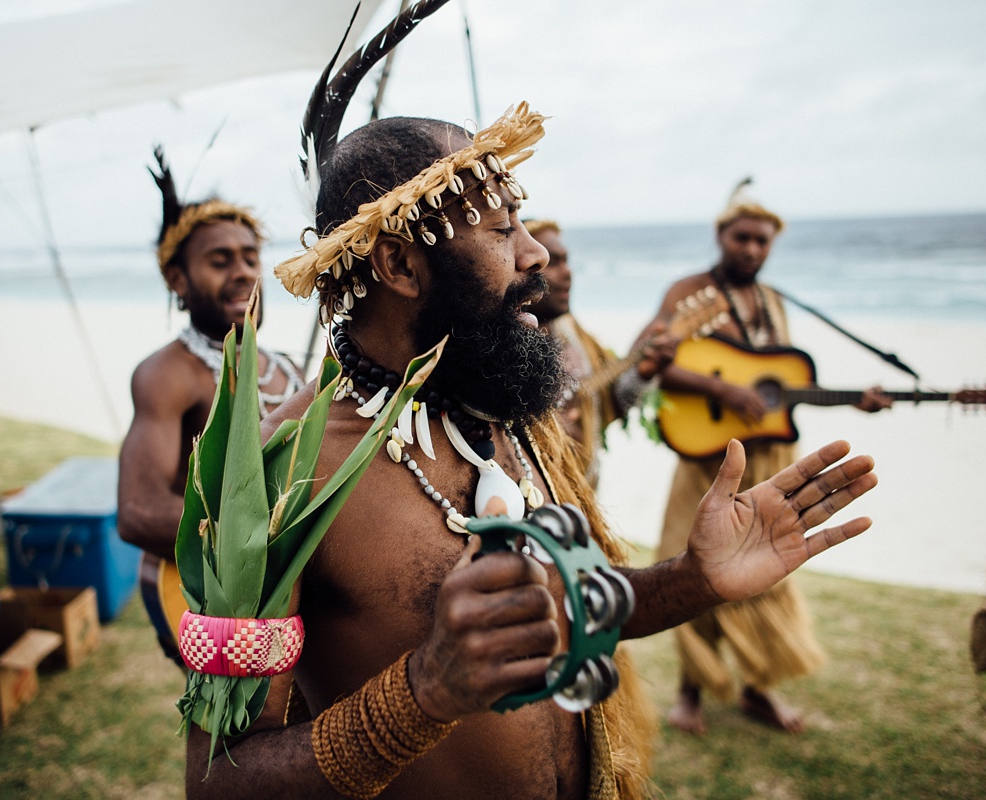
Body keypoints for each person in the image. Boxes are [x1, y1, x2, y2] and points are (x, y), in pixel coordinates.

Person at [180, 24, 880, 793]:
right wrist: (420, 694)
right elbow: (217, 783)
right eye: (499, 228)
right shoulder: (282, 485)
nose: (536, 255)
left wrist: (695, 578)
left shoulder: (501, 415)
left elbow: (575, 611)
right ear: (401, 263)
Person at [642, 180, 892, 736]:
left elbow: (782, 383)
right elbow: (650, 359)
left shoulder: (774, 301)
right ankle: (691, 692)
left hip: (774, 457)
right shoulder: (689, 291)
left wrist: (859, 400)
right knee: (694, 562)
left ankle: (759, 688)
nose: (752, 250)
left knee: (771, 566)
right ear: (721, 235)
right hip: (710, 460)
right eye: (742, 238)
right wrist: (726, 393)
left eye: (762, 241)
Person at [117, 150, 304, 661]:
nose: (243, 272)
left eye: (249, 257)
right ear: (178, 280)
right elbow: (137, 512)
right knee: (236, 734)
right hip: (202, 590)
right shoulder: (169, 374)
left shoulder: (287, 366)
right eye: (219, 261)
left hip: (284, 586)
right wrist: (263, 540)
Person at [521, 219, 674, 485]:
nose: (567, 272)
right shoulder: (499, 345)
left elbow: (612, 400)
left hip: (582, 492)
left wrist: (644, 374)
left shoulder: (573, 332)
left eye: (567, 261)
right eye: (553, 263)